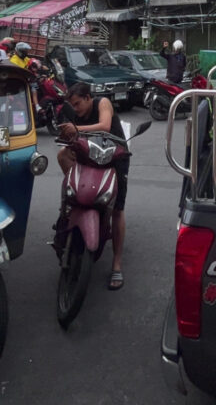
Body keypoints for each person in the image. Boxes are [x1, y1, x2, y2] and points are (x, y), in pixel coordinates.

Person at [57, 82, 129, 291]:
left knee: (117, 209)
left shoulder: (102, 103)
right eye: (73, 105)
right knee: (62, 155)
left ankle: (116, 263)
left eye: (78, 104)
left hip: (115, 157)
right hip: (89, 156)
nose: (76, 109)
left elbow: (105, 126)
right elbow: (71, 138)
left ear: (88, 98)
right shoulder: (74, 114)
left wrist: (76, 129)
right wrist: (67, 135)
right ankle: (70, 206)